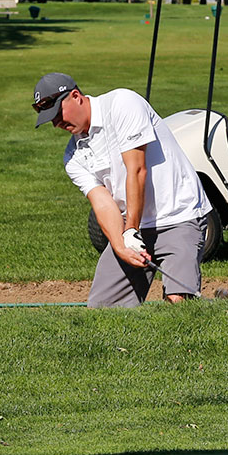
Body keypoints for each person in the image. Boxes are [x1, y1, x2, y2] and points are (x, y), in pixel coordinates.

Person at [33, 72, 212, 307]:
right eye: (51, 119)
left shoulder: (122, 103)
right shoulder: (73, 157)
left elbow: (137, 170)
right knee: (103, 312)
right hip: (133, 226)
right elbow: (102, 203)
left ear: (76, 96)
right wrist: (120, 244)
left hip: (179, 215)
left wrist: (130, 231)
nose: (56, 123)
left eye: (57, 113)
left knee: (178, 302)